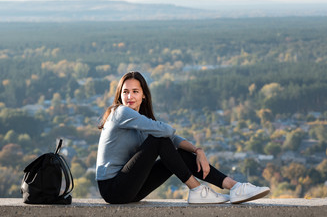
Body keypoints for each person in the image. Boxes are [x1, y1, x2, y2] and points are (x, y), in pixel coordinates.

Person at [96, 71, 270, 204]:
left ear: (144, 95)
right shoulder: (120, 112)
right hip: (113, 189)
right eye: (125, 92)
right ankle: (197, 191)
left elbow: (172, 141)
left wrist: (197, 150)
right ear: (119, 94)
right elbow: (165, 135)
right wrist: (167, 133)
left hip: (132, 189)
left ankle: (235, 186)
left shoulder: (140, 122)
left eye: (135, 91)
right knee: (160, 139)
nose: (129, 97)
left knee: (171, 150)